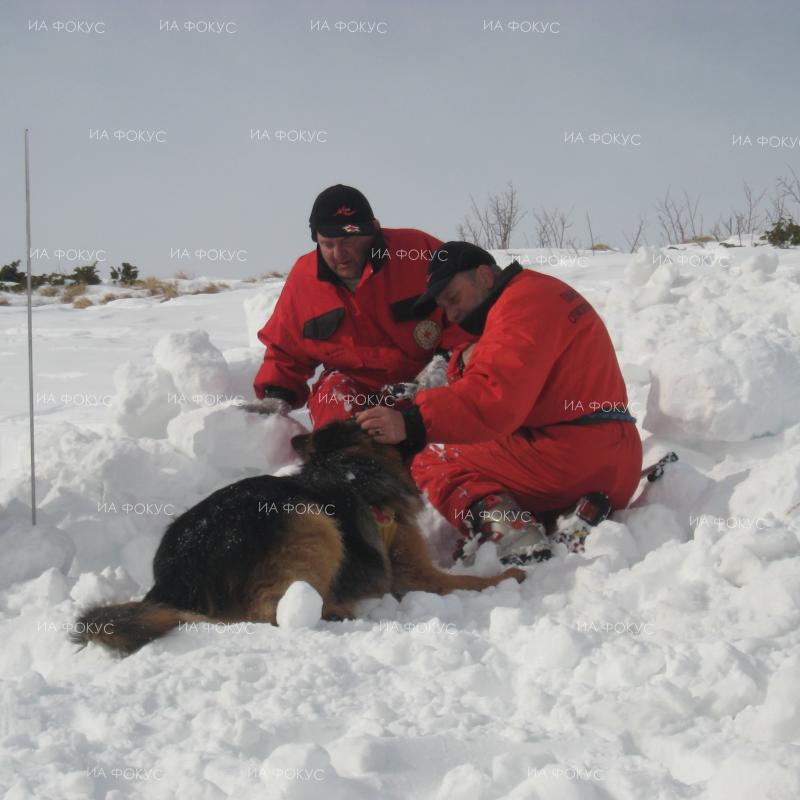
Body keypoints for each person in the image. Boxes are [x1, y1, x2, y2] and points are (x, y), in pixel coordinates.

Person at [356, 241, 643, 566]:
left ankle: (512, 534)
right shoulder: (541, 292)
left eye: (453, 298)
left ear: (484, 276)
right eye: (444, 307)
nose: (451, 314)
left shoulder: (518, 306)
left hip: (570, 459)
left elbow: (492, 399)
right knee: (489, 454)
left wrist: (411, 421)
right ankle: (573, 516)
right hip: (617, 461)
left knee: (431, 456)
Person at [247, 185, 472, 427]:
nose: (339, 254)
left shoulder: (420, 251)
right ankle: (347, 462)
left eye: (348, 241)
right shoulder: (304, 280)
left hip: (429, 379)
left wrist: (447, 362)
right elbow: (285, 349)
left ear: (373, 230)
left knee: (458, 406)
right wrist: (276, 397)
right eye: (328, 244)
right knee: (331, 393)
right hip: (358, 390)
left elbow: (472, 311)